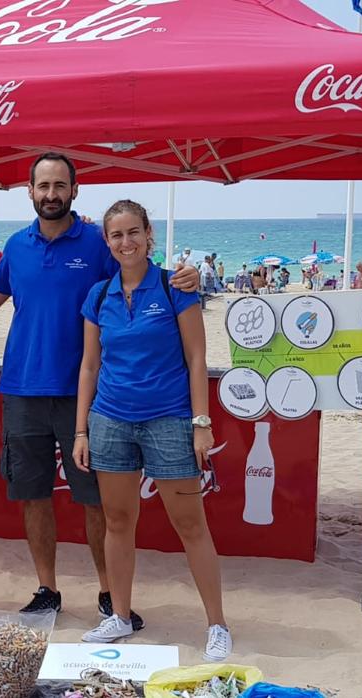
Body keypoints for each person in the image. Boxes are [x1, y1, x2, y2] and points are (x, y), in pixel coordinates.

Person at [0, 152, 198, 625]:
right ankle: (47, 589)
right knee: (33, 494)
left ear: (74, 191)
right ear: (30, 192)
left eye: (60, 185)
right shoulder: (15, 247)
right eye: (43, 186)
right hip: (22, 388)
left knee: (95, 499)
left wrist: (185, 276)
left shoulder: (98, 244)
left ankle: (108, 592)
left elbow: (137, 269)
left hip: (88, 395)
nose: (51, 194)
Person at [74, 199, 230, 661]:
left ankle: (217, 625)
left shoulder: (174, 286)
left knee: (190, 525)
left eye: (133, 232)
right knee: (118, 522)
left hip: (169, 420)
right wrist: (81, 431)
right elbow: (89, 366)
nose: (126, 242)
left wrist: (201, 424)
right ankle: (120, 616)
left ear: (149, 235)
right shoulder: (98, 295)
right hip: (110, 421)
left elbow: (197, 358)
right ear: (107, 242)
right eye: (117, 235)